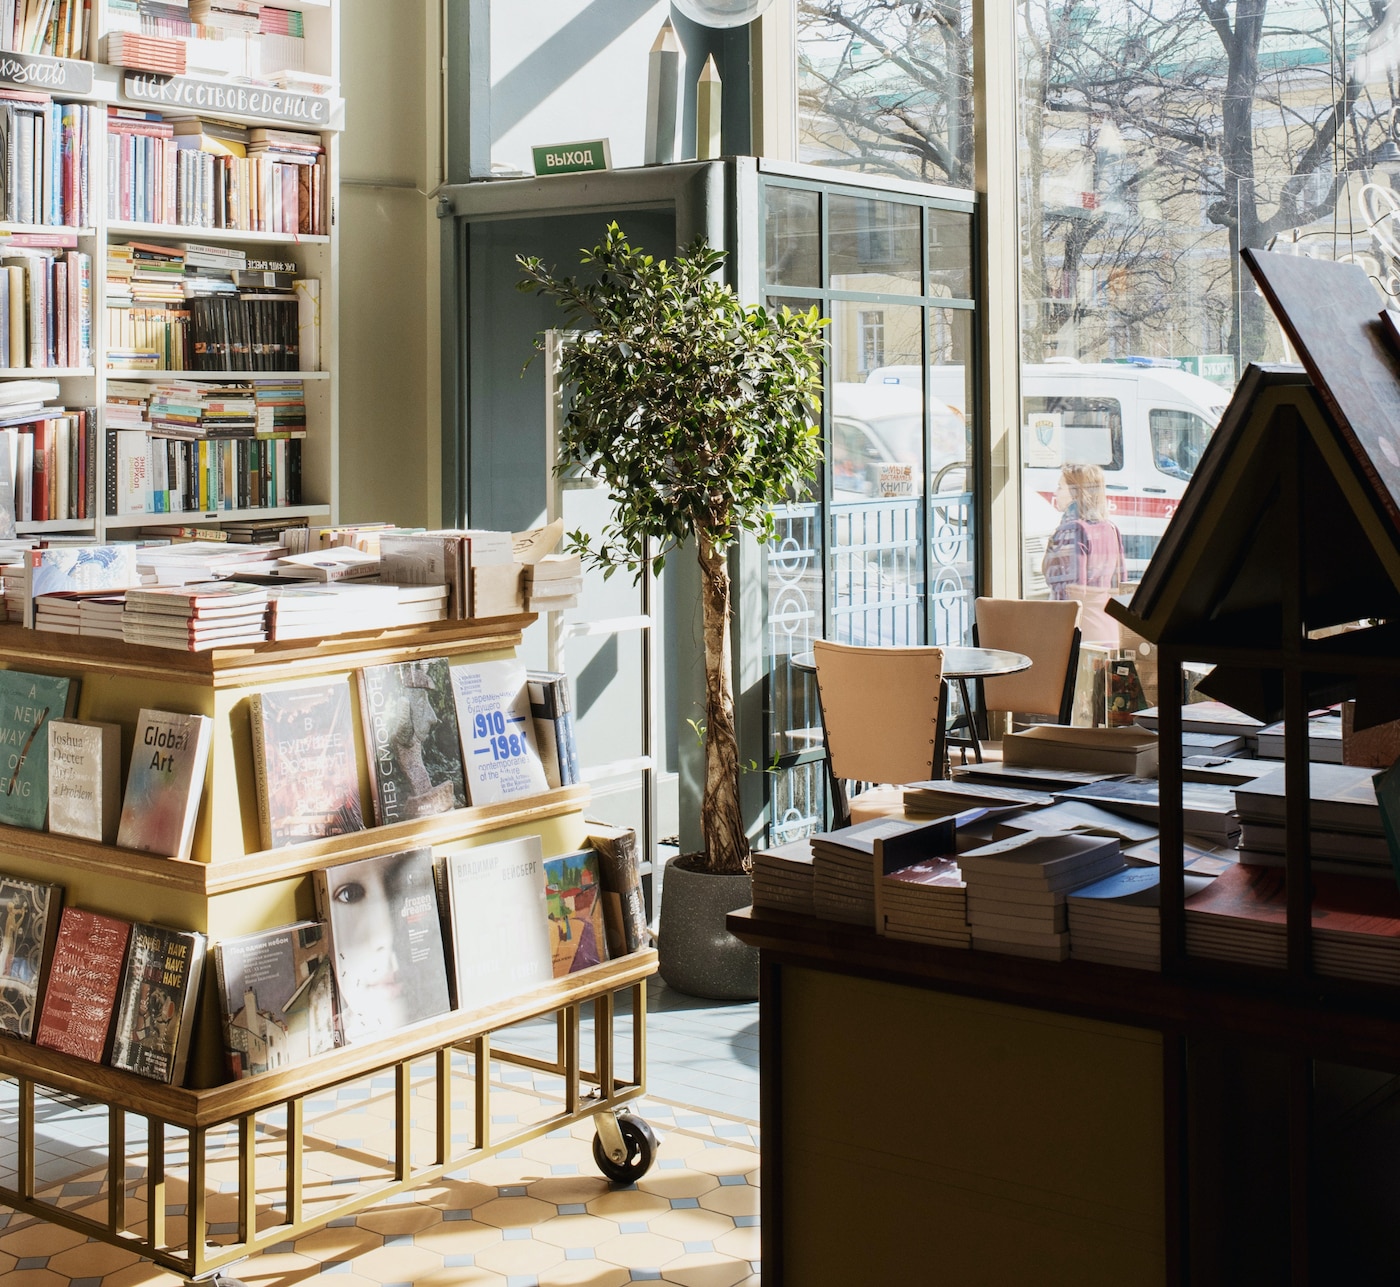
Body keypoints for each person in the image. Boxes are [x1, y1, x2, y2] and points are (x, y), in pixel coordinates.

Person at [1042, 463, 1125, 645]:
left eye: (1060, 487)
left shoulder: (1073, 529)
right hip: (1108, 627)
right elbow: (1120, 585)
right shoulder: (1110, 528)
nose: (1056, 493)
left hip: (1082, 634)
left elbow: (1071, 593)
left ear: (1075, 492)